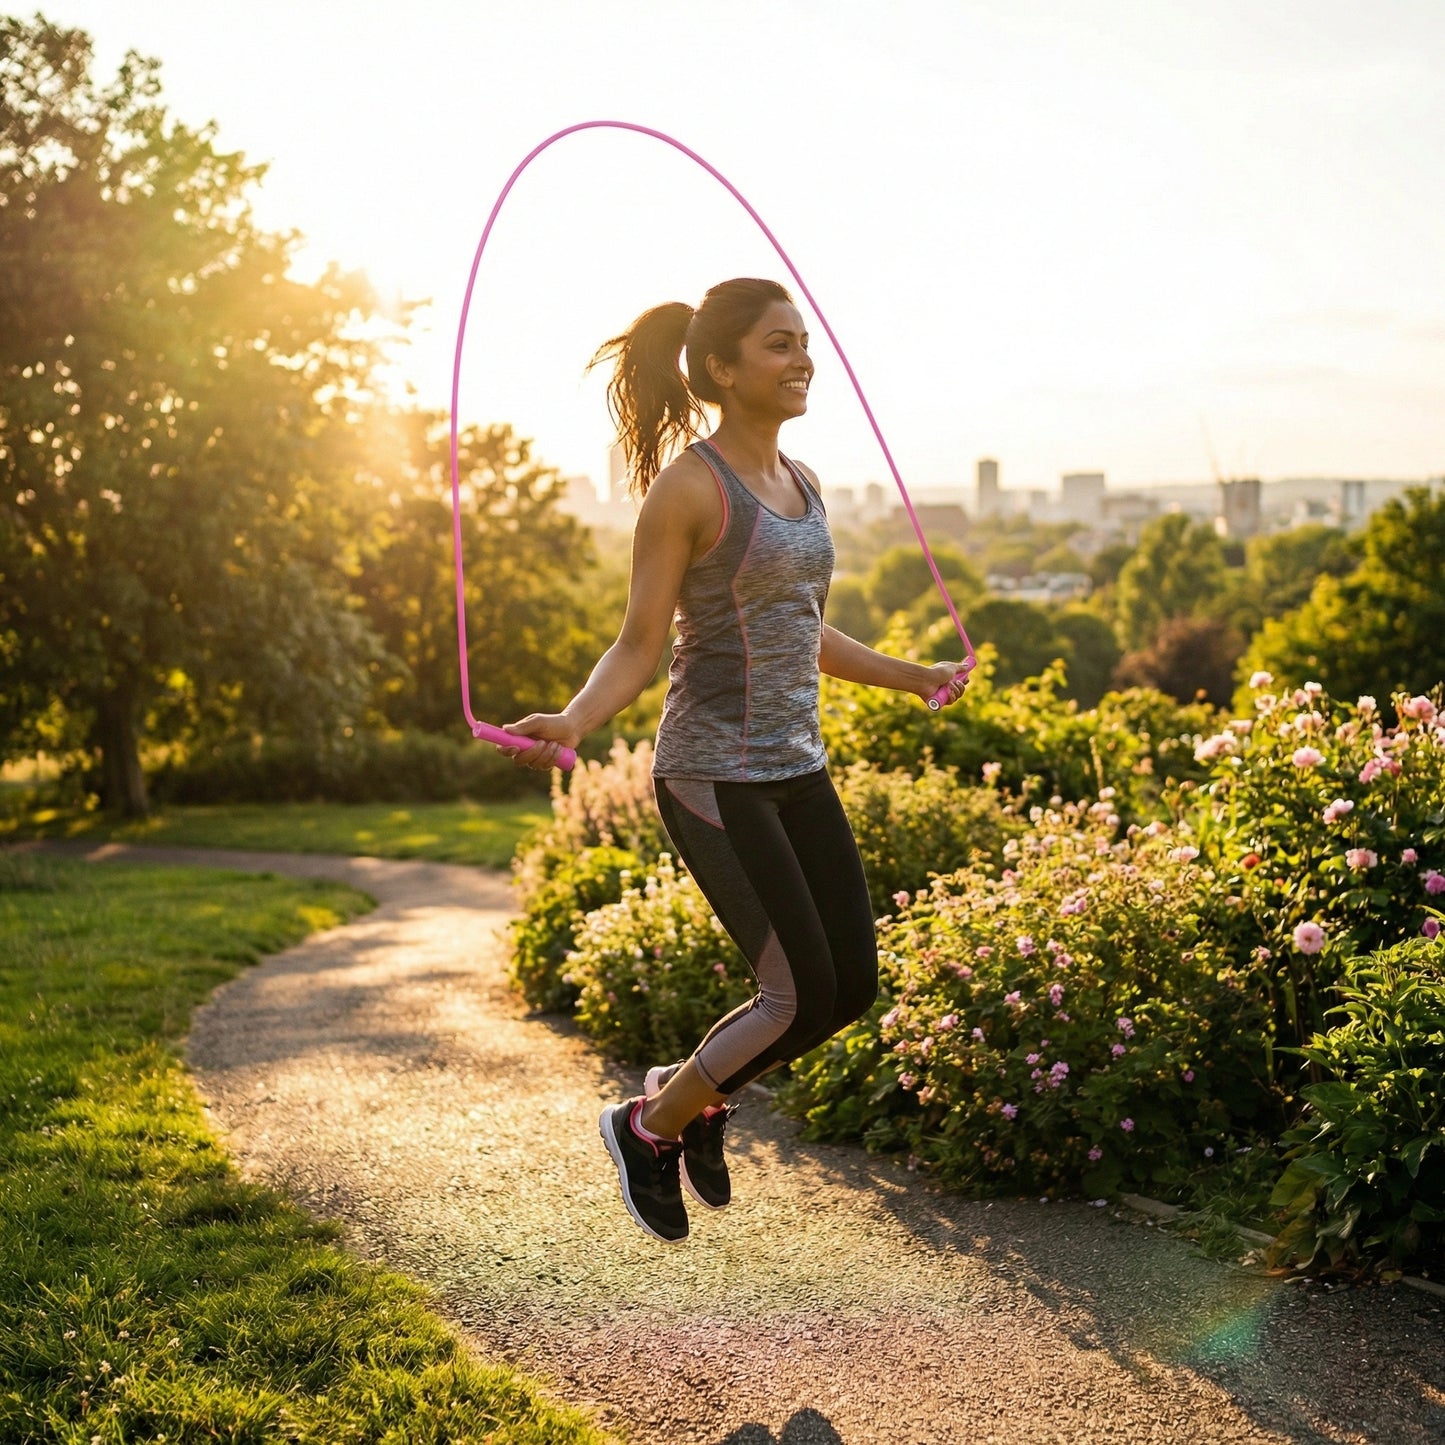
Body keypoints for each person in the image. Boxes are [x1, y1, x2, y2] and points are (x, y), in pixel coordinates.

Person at [504, 278, 969, 1242]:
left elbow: (803, 631)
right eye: (775, 345)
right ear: (720, 368)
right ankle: (649, 1124)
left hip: (796, 768)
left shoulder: (802, 484)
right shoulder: (688, 488)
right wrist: (579, 717)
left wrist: (911, 674)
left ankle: (692, 1099)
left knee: (848, 988)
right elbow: (639, 642)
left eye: (802, 342)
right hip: (713, 774)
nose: (801, 360)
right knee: (793, 990)